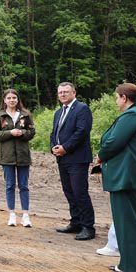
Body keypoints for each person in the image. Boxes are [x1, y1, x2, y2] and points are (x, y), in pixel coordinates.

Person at [95, 83, 136, 272]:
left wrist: (101, 155)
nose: (116, 101)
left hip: (127, 176)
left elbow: (114, 141)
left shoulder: (131, 115)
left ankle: (130, 265)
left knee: (127, 220)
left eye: (117, 97)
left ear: (124, 98)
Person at [50, 82, 95, 240]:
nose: (62, 94)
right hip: (62, 158)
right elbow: (54, 133)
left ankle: (88, 227)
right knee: (69, 191)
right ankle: (75, 222)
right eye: (60, 92)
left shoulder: (82, 109)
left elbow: (82, 132)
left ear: (74, 93)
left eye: (66, 92)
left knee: (80, 192)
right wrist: (53, 147)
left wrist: (65, 148)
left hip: (77, 158)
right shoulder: (58, 112)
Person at [0, 89, 36, 228]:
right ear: (4, 100)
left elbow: (31, 132)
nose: (12, 100)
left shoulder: (25, 115)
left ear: (18, 100)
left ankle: (25, 215)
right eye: (9, 98)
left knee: (24, 186)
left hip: (23, 156)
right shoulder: (0, 116)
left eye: (14, 98)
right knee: (10, 186)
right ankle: (12, 214)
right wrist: (10, 133)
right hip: (7, 156)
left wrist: (22, 132)